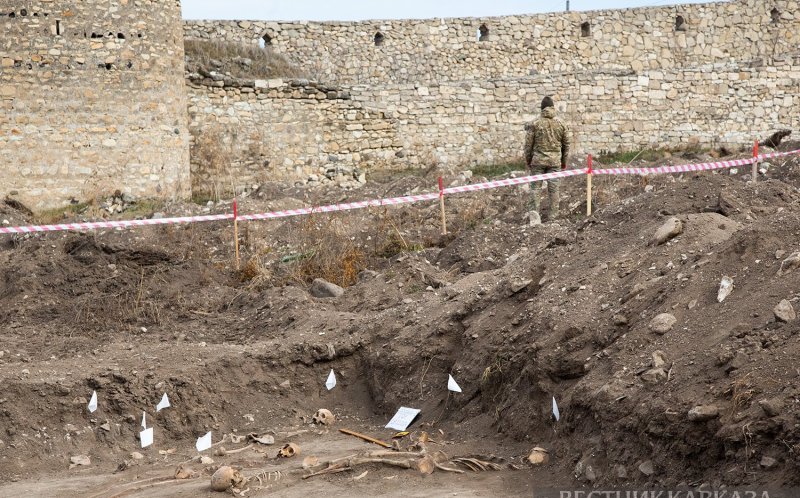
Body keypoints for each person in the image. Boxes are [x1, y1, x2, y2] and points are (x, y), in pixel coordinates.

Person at [524, 96, 571, 221]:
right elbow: (567, 145)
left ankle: (534, 218)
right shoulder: (561, 124)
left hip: (537, 161)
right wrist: (563, 162)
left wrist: (528, 160)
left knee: (535, 189)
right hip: (555, 162)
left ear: (541, 108)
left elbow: (528, 146)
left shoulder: (534, 123)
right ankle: (553, 217)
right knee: (554, 190)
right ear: (553, 107)